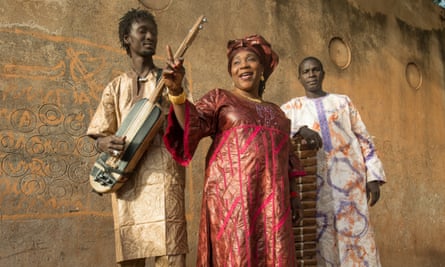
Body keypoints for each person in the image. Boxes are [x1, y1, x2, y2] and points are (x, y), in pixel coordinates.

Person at [162, 34, 304, 266]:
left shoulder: (278, 114)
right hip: (231, 203)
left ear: (263, 69)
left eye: (251, 60)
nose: (244, 66)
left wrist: (294, 197)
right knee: (236, 255)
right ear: (231, 72)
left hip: (273, 205)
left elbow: (288, 160)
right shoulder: (220, 98)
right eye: (236, 63)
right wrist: (177, 92)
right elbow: (192, 123)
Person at [86, 9, 188, 267]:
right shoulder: (116, 86)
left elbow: (187, 124)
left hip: (164, 178)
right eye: (142, 31)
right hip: (126, 179)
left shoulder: (169, 79)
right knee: (131, 255)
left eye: (153, 31)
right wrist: (104, 142)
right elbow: (100, 132)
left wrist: (176, 90)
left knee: (172, 253)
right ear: (126, 38)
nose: (150, 36)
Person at [281, 56, 386, 267]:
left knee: (356, 236)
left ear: (323, 73)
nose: (311, 74)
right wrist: (300, 129)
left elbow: (363, 137)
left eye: (315, 70)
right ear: (299, 77)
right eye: (306, 71)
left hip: (350, 183)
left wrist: (372, 176)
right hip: (315, 188)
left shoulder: (342, 102)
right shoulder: (292, 108)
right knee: (323, 240)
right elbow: (277, 127)